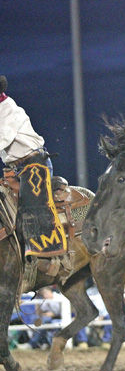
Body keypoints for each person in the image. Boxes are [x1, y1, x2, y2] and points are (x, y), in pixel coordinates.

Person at [0, 75, 67, 263]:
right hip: (15, 169)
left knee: (32, 208)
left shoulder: (8, 108)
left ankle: (46, 257)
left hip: (34, 166)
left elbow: (2, 138)